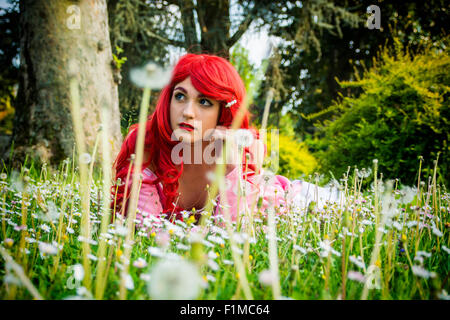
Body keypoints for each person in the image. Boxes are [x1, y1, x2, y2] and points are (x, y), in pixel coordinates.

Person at [111, 53, 339, 230]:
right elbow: (146, 234)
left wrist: (231, 169)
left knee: (342, 204)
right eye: (180, 96)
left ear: (223, 112)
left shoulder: (244, 148)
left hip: (300, 201)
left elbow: (232, 234)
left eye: (204, 102)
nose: (188, 112)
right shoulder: (145, 146)